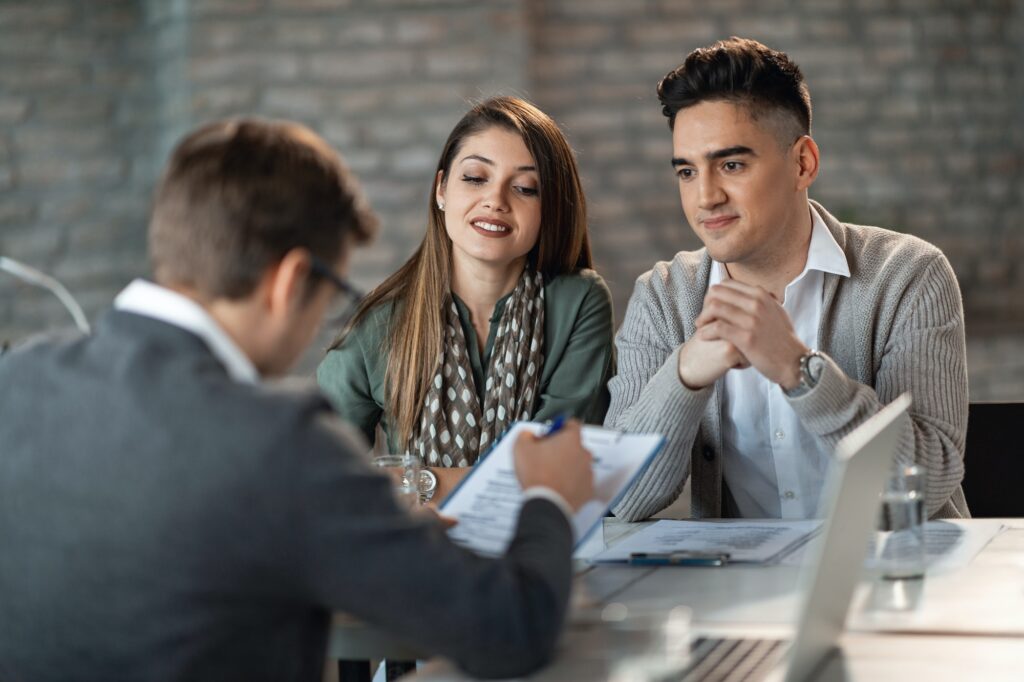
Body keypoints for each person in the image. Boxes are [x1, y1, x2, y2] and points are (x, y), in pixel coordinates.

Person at [0, 118, 595, 681]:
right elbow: (513, 628)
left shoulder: (19, 379)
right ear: (290, 282)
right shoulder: (283, 444)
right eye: (332, 290)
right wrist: (545, 495)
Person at [606, 37, 969, 522]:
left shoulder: (908, 276)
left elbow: (926, 484)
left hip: (892, 581)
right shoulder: (662, 298)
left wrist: (801, 372)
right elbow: (623, 501)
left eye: (731, 165)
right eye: (687, 172)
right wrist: (685, 373)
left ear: (803, 163)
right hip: (737, 591)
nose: (705, 197)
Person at [318, 96, 614, 501]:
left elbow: (554, 477)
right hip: (418, 553)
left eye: (526, 188)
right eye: (476, 178)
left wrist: (415, 484)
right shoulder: (380, 321)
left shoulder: (578, 302)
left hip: (543, 549)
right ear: (441, 189)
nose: (496, 200)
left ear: (550, 210)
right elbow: (321, 477)